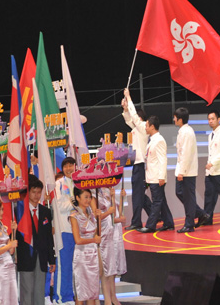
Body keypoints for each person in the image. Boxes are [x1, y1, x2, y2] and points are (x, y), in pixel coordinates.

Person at [16, 177, 55, 305]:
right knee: (27, 292)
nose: (36, 195)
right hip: (25, 256)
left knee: (39, 292)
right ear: (28, 192)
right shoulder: (19, 211)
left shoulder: (46, 212)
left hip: (42, 257)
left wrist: (51, 259)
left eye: (39, 192)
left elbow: (49, 237)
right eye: (33, 192)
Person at [121, 89, 152, 231]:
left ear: (141, 119)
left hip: (141, 165)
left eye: (136, 118)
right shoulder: (136, 129)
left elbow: (133, 117)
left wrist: (128, 97)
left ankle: (137, 222)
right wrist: (125, 109)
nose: (134, 120)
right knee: (139, 195)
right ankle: (155, 216)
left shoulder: (143, 128)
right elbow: (129, 119)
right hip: (137, 165)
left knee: (138, 196)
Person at [173, 107, 208, 233]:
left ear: (180, 119)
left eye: (175, 117)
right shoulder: (183, 131)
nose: (173, 119)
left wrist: (182, 171)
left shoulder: (187, 132)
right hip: (183, 169)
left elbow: (186, 153)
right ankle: (201, 213)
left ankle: (189, 224)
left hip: (187, 171)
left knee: (188, 196)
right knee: (181, 193)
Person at [137, 116, 174, 233]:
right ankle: (169, 223)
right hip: (152, 177)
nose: (145, 128)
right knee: (161, 201)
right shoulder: (152, 139)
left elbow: (163, 160)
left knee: (157, 202)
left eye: (147, 125)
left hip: (157, 177)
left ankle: (150, 225)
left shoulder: (159, 140)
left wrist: (162, 177)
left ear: (152, 126)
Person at [69, 188, 101, 305]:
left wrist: (98, 219)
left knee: (92, 292)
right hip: (81, 256)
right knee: (81, 292)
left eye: (89, 197)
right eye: (85, 197)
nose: (88, 200)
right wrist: (93, 240)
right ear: (78, 198)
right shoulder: (74, 216)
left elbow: (98, 234)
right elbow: (77, 240)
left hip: (92, 256)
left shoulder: (92, 215)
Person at [52, 158, 77, 305]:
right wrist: (75, 201)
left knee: (74, 266)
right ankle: (60, 298)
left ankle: (70, 295)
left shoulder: (80, 182)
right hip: (64, 230)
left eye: (71, 165)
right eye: (66, 166)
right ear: (63, 168)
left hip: (78, 231)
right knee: (63, 265)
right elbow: (60, 206)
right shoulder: (59, 184)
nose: (69, 168)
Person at [92, 187, 117, 305]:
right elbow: (94, 217)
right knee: (100, 270)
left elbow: (112, 212)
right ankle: (98, 300)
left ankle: (108, 300)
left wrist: (113, 197)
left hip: (109, 235)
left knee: (108, 270)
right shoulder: (91, 196)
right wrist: (108, 212)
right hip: (99, 236)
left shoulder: (103, 192)